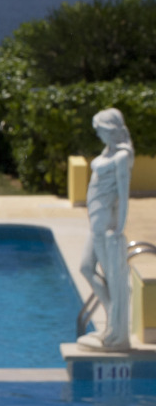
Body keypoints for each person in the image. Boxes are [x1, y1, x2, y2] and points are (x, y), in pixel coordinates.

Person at [78, 108, 134, 351]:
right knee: (85, 268)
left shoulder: (121, 157)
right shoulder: (107, 153)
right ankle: (112, 316)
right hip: (96, 223)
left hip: (105, 225)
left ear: (110, 130)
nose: (98, 134)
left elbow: (123, 194)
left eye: (100, 130)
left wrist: (119, 228)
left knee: (111, 277)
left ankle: (115, 328)